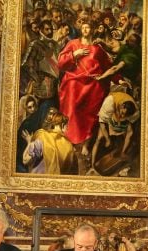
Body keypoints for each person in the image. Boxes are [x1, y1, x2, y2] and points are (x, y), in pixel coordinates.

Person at [57, 22, 115, 161]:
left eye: (88, 26)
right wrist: (74, 55)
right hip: (74, 81)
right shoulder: (73, 43)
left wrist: (118, 79)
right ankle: (70, 140)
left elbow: (108, 66)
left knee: (91, 112)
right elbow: (60, 62)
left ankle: (86, 144)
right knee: (73, 106)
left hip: (93, 83)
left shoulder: (97, 48)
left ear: (92, 29)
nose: (85, 29)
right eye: (83, 27)